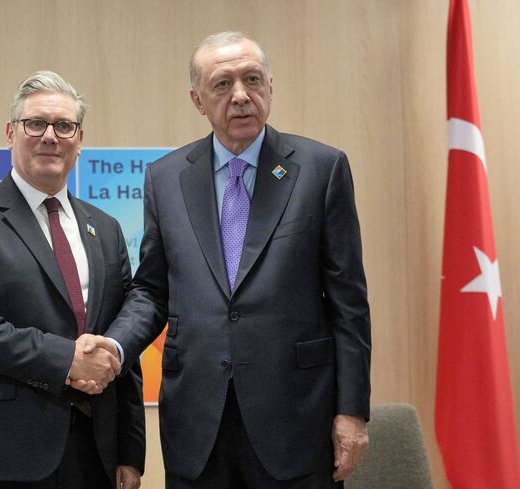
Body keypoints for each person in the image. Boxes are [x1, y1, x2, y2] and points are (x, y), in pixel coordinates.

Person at [78, 31, 371, 488]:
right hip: (198, 423)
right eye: (222, 84)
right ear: (198, 100)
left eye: (252, 79)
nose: (240, 96)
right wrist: (114, 347)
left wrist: (352, 411)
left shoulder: (321, 168)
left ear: (270, 86)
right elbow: (153, 290)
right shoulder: (166, 178)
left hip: (296, 419)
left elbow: (349, 303)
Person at [0, 70, 145, 489]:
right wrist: (66, 359)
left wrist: (129, 452)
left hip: (93, 455)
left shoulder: (105, 227)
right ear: (11, 133)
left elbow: (123, 348)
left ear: (79, 141)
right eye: (36, 123)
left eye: (64, 126)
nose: (51, 136)